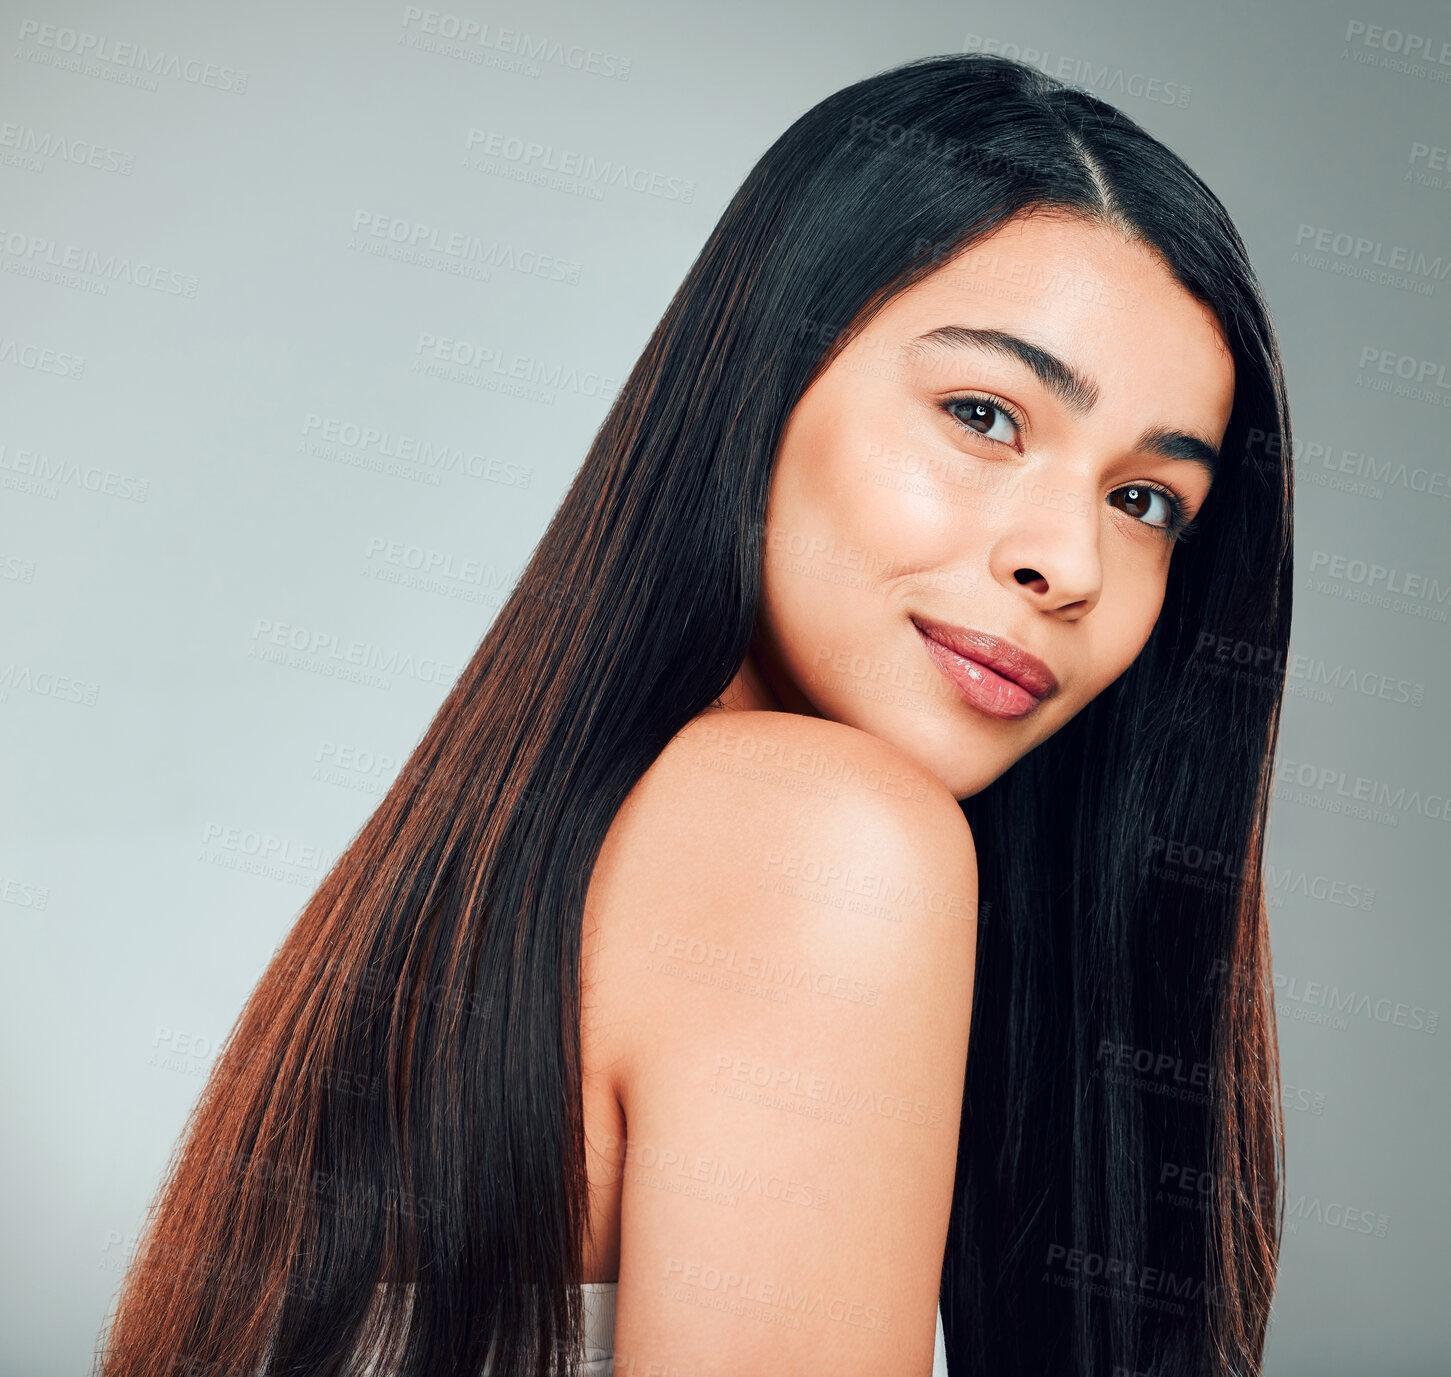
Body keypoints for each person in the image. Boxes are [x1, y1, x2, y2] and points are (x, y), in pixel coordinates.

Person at [99, 52, 1293, 1377]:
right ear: (761, 386)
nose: (1067, 562)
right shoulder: (825, 841)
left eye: (1145, 501)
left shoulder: (508, 879)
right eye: (983, 413)